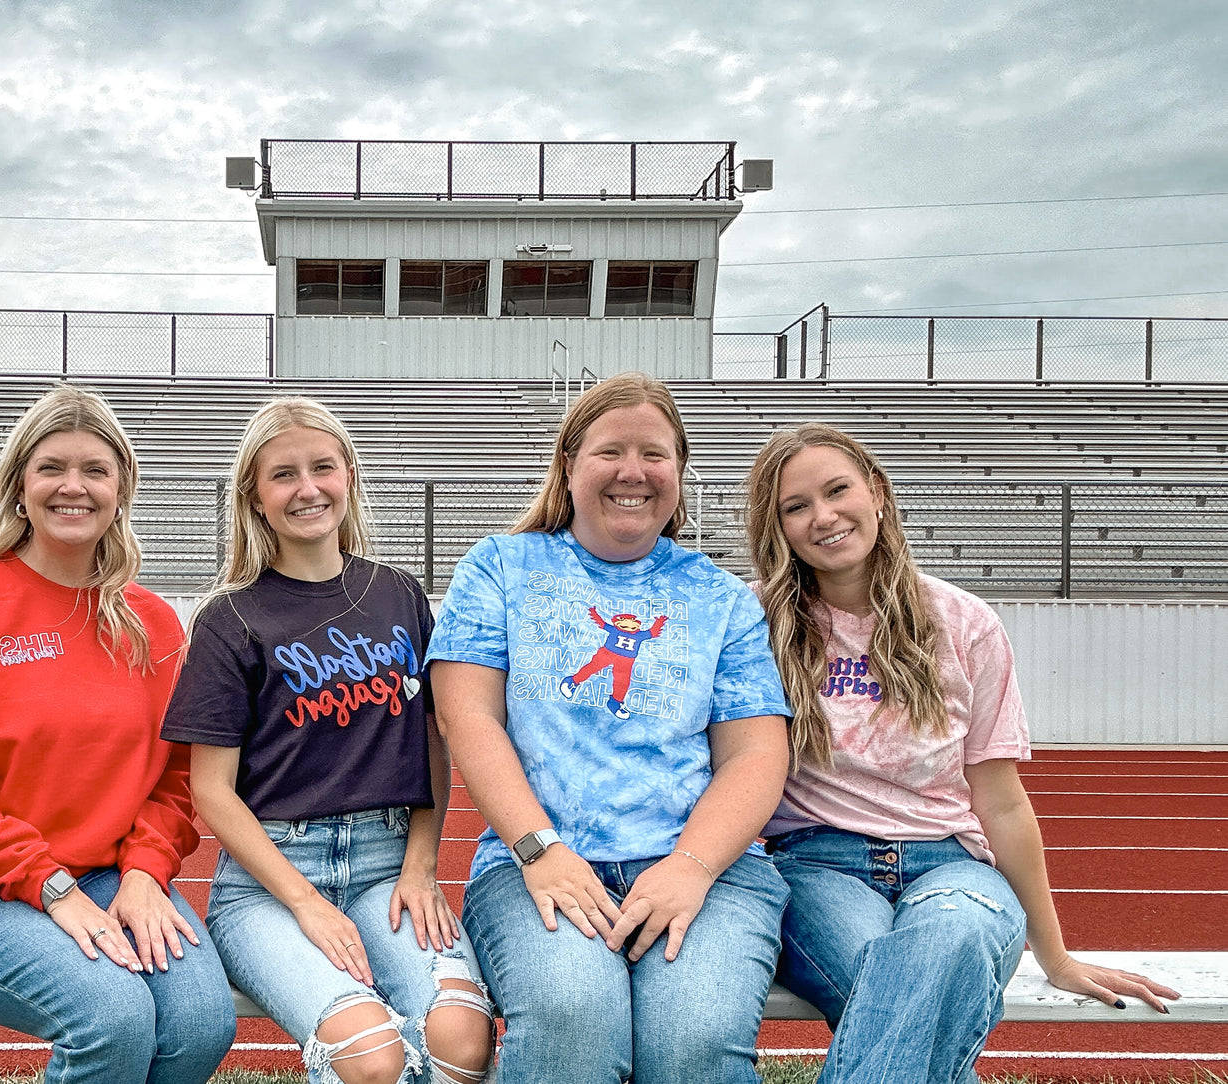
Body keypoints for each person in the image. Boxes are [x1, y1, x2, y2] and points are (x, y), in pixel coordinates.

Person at [744, 422, 1181, 1083]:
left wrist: (1054, 955)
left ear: (878, 494)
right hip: (814, 867)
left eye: (837, 491)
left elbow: (999, 799)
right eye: (795, 506)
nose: (822, 516)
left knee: (948, 942)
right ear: (776, 526)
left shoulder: (963, 622)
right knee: (898, 973)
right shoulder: (754, 624)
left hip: (951, 863)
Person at [427, 372, 793, 1084]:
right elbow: (465, 714)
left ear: (679, 473)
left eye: (653, 454)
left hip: (706, 871)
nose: (633, 472)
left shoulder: (720, 597)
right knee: (570, 1020)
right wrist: (541, 850)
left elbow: (754, 750)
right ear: (568, 466)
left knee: (694, 1039)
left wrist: (690, 868)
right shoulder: (498, 567)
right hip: (536, 864)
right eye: (609, 452)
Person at [0, 384, 237, 1084]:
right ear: (20, 486)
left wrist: (144, 873)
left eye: (94, 470)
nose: (71, 487)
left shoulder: (152, 622)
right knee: (111, 1019)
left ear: (120, 489)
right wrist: (50, 888)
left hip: (108, 878)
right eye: (51, 468)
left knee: (200, 1023)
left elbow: (174, 780)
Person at [160, 397, 494, 1084]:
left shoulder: (399, 594)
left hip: (386, 863)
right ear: (254, 496)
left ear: (349, 475)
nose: (307, 489)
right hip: (270, 883)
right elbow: (211, 791)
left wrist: (421, 865)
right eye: (282, 475)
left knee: (462, 1039)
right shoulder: (229, 617)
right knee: (366, 1057)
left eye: (321, 468)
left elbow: (431, 742)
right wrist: (307, 904)